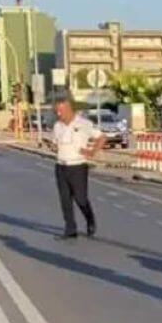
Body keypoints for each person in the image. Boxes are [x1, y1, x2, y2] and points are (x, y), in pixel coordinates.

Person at [51, 97, 107, 240]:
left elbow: (102, 137)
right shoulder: (57, 126)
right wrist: (53, 147)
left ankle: (90, 219)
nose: (59, 114)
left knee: (80, 199)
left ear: (69, 109)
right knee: (65, 200)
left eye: (61, 110)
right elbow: (55, 144)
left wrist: (93, 151)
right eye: (57, 111)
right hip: (61, 166)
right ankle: (70, 229)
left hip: (78, 167)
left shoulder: (84, 124)